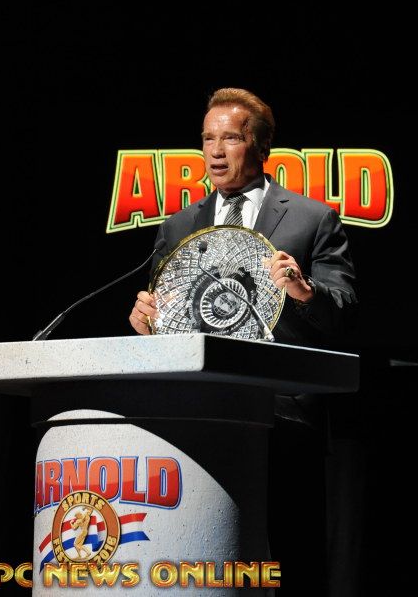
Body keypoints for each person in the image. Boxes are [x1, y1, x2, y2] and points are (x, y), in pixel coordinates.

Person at [127, 88, 359, 596]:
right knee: (206, 553)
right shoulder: (179, 225)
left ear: (262, 146)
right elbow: (164, 317)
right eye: (208, 139)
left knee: (293, 554)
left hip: (283, 413)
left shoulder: (310, 218)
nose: (215, 151)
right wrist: (146, 322)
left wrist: (305, 291)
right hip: (199, 412)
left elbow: (343, 310)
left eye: (230, 138)